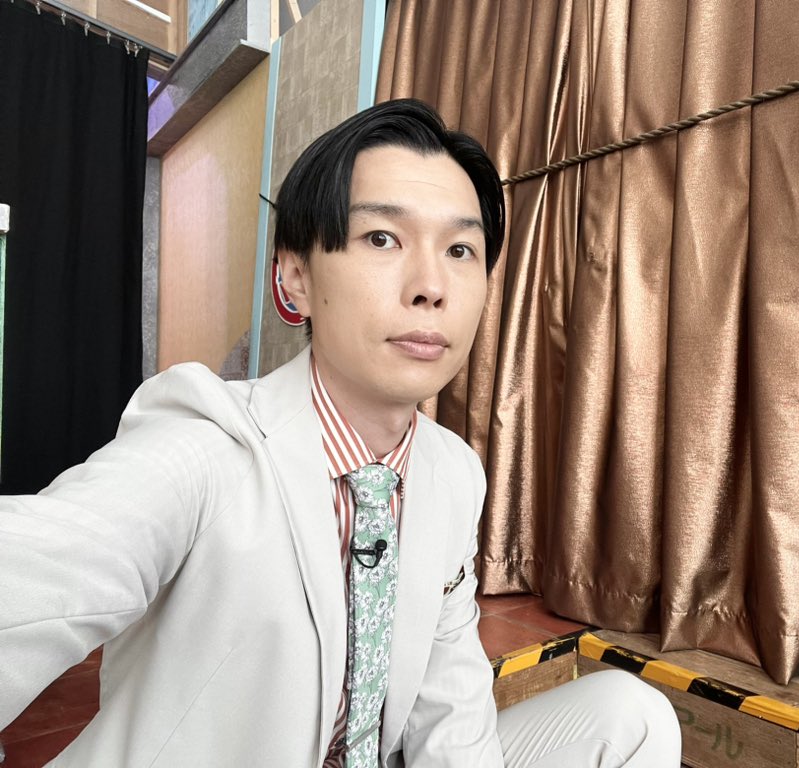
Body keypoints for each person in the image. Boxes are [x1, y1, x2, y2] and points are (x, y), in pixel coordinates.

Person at [0, 99, 680, 767]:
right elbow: (40, 571)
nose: (431, 286)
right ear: (295, 277)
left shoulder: (451, 472)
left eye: (460, 249)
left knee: (632, 716)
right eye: (382, 238)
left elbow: (450, 704)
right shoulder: (207, 446)